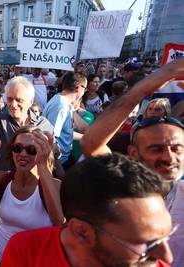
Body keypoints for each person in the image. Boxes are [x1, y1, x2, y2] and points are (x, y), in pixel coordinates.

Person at [81, 56, 184, 266]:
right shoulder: (125, 185)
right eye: (156, 149)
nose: (169, 156)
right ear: (133, 153)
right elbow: (91, 142)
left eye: (176, 148)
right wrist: (144, 87)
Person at [1, 153, 174, 267]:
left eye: (167, 235)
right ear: (81, 232)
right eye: (147, 243)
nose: (167, 258)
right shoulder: (26, 250)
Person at [0, 126, 64, 266]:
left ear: (43, 152)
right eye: (17, 148)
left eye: (31, 150)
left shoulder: (55, 186)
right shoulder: (2, 177)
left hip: (30, 262)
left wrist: (42, 165)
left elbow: (59, 222)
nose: (23, 153)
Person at [0, 48, 54, 172]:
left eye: (19, 100)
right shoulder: (0, 120)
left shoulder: (43, 125)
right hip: (2, 185)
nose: (13, 105)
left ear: (31, 101)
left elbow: (54, 155)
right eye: (9, 99)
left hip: (33, 185)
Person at [42, 72, 87, 168]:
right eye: (85, 88)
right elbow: (51, 138)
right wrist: (59, 170)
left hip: (64, 158)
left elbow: (65, 132)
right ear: (78, 88)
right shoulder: (61, 105)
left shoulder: (65, 103)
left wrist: (84, 137)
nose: (85, 91)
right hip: (59, 162)